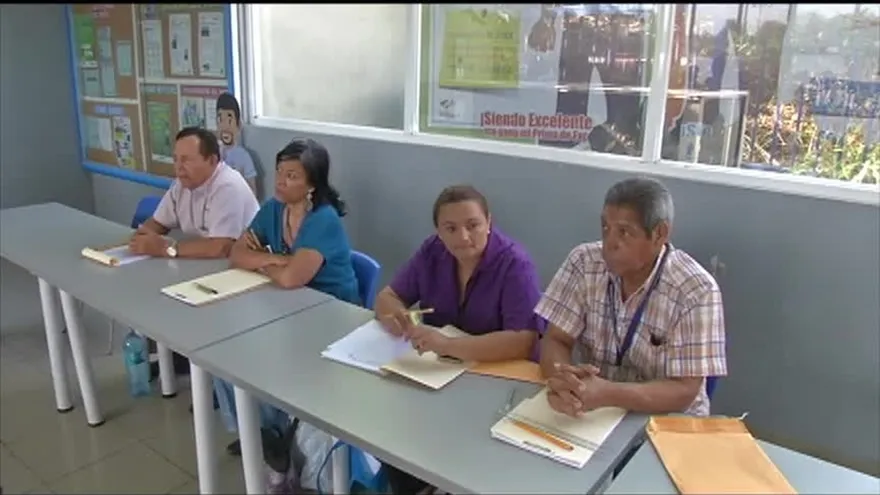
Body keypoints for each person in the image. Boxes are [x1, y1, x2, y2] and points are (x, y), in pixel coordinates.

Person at [374, 184, 546, 494]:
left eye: (473, 225)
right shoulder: (432, 252)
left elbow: (523, 341)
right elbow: (388, 297)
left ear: (489, 222)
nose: (462, 237)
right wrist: (402, 318)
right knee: (392, 437)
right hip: (440, 379)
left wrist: (447, 345)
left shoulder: (515, 264)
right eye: (450, 228)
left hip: (501, 385)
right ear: (438, 231)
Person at [216, 137, 359, 462]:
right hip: (286, 307)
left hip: (331, 317)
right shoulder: (272, 209)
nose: (281, 181)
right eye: (280, 172)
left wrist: (275, 264)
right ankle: (260, 433)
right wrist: (279, 262)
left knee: (262, 355)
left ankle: (274, 435)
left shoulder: (323, 219)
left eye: (292, 175)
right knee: (222, 357)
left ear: (312, 183)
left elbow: (293, 279)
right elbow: (237, 254)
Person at [535, 177, 727, 419]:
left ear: (660, 233)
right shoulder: (583, 262)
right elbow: (556, 340)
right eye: (605, 228)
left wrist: (609, 393)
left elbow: (684, 390)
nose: (610, 243)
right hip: (596, 413)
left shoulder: (696, 291)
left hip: (668, 421)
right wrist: (564, 381)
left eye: (625, 232)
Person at [129, 126, 259, 379]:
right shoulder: (182, 185)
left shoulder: (227, 186)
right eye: (176, 159)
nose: (179, 167)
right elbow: (157, 223)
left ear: (212, 160)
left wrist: (166, 248)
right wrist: (143, 236)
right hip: (205, 268)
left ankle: (213, 375)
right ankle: (178, 358)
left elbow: (220, 246)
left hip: (242, 276)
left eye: (186, 160)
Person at [216, 92, 258, 196]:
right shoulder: (213, 152)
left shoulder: (244, 156)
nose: (225, 127)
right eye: (221, 120)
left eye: (230, 121)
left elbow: (253, 192)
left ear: (239, 125)